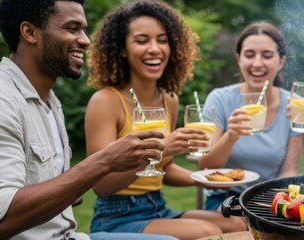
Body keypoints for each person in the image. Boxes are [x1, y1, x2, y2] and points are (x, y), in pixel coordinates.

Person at [0, 0, 179, 240]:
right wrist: (103, 162)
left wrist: (67, 191)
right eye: (72, 28)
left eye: (83, 29)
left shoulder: (50, 103)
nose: (85, 40)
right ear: (30, 32)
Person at [85, 1, 246, 239]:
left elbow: (164, 168)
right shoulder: (106, 101)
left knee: (238, 224)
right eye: (142, 41)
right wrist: (158, 151)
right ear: (122, 48)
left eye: (162, 40)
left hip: (157, 207)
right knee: (208, 232)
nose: (155, 49)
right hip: (116, 216)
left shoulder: (168, 100)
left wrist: (203, 180)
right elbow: (101, 185)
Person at [198, 21, 303, 211]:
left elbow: (289, 170)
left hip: (269, 198)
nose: (257, 63)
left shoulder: (294, 104)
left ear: (281, 61)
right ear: (239, 59)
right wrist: (230, 136)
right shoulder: (220, 99)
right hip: (224, 199)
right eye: (249, 55)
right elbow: (205, 167)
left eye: (267, 55)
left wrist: (274, 204)